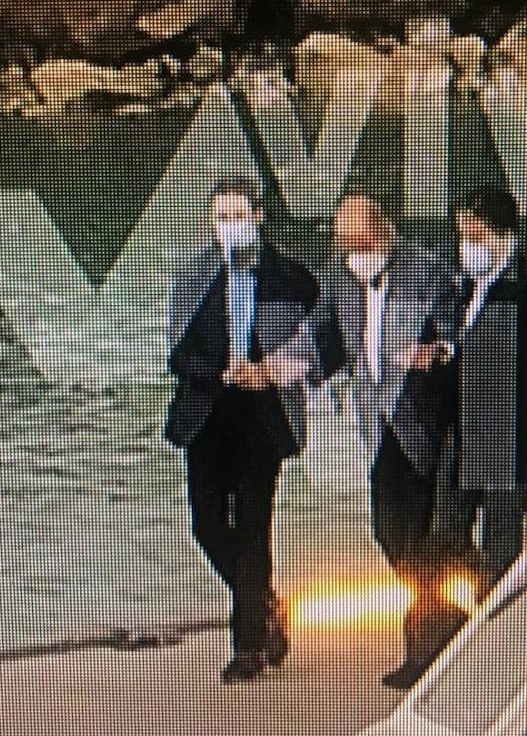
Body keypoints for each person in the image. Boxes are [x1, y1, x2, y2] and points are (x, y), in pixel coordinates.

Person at [265, 189, 463, 689]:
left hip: (424, 416)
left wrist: (436, 352)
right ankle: (449, 613)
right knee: (389, 529)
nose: (350, 250)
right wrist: (281, 365)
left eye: (357, 240)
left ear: (381, 230)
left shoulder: (427, 271)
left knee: (412, 528)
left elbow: (459, 333)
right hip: (377, 422)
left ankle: (425, 647)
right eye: (344, 241)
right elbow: (322, 336)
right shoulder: (340, 278)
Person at [164, 174, 318, 683]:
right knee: (206, 524)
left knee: (253, 524)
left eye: (238, 215)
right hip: (208, 414)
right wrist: (220, 373)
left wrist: (268, 370)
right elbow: (179, 353)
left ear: (258, 217)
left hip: (262, 416)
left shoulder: (290, 277)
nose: (230, 225)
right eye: (221, 217)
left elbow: (313, 348)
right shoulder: (193, 276)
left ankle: (249, 643)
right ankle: (265, 600)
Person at [432, 185, 527, 598]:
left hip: (507, 434)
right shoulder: (461, 284)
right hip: (462, 433)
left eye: (475, 236)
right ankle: (446, 622)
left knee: (501, 544)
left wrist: (458, 359)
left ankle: (495, 617)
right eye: (462, 236)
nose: (466, 246)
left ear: (503, 235)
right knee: (444, 536)